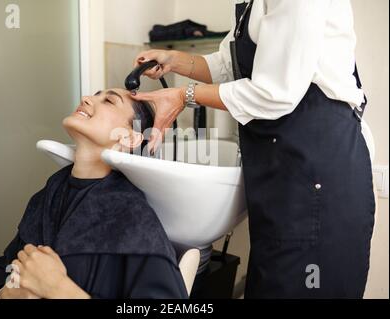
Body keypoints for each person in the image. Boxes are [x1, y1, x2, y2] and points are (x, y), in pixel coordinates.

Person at [132, 0, 375, 298]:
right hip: (283, 177)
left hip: (318, 175)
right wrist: (174, 60)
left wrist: (185, 96)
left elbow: (274, 92)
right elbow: (227, 66)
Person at [0, 89, 188, 299]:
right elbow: (2, 270)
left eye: (108, 101)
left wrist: (58, 289)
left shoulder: (131, 215)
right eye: (94, 95)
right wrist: (4, 293)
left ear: (129, 138)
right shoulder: (51, 192)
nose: (86, 99)